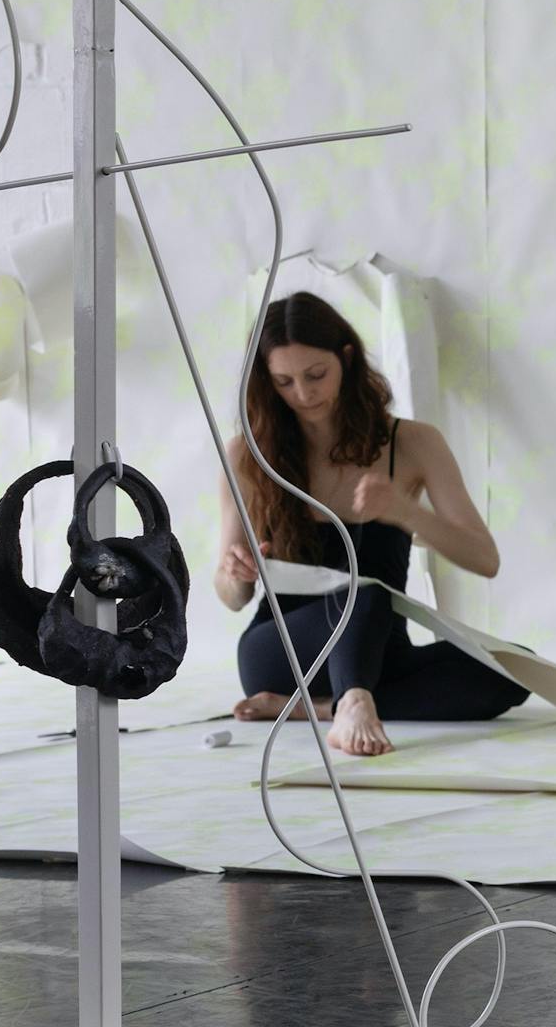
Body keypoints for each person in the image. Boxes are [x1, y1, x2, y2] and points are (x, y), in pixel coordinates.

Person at [214, 292, 527, 757]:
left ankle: (321, 707)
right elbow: (231, 597)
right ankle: (354, 702)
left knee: (516, 670)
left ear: (346, 357)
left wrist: (406, 511)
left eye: (316, 375)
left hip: (377, 653)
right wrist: (235, 573)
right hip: (282, 652)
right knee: (367, 589)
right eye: (284, 382)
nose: (303, 394)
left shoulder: (414, 443)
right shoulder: (247, 454)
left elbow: (485, 560)